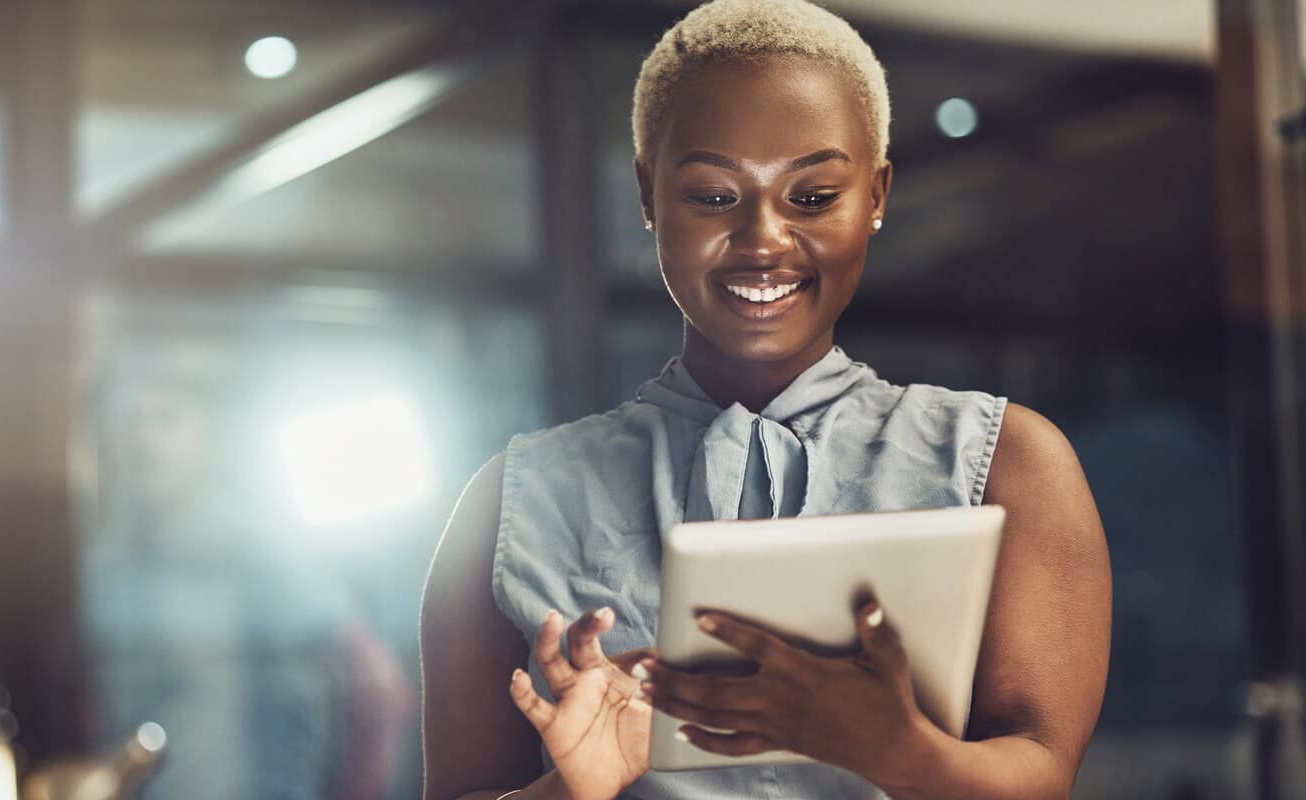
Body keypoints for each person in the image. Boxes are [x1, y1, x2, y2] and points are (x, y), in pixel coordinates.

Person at [420, 1, 1111, 797]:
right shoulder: (509, 503)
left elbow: (1043, 774)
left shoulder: (1009, 464)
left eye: (812, 197)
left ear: (877, 195)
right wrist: (576, 787)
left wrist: (902, 751)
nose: (763, 240)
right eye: (714, 196)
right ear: (649, 195)